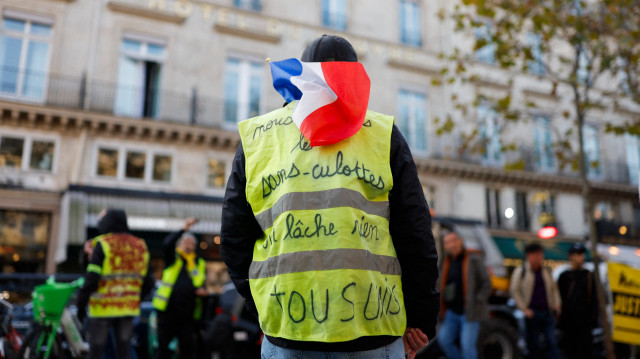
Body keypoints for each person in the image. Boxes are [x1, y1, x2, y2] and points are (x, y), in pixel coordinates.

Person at [220, 34, 439, 359]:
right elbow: (415, 234)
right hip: (374, 333)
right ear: (355, 76)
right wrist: (420, 320)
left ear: (304, 74)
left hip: (287, 333)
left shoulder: (258, 138)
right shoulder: (383, 134)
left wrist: (263, 308)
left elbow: (234, 238)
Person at [76, 209, 154, 359]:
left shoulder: (103, 243)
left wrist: (81, 304)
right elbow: (149, 282)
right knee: (124, 351)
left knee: (96, 352)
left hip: (102, 308)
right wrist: (136, 298)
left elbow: (92, 278)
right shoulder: (140, 245)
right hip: (127, 308)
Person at [153, 218, 207, 359]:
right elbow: (167, 243)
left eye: (192, 244)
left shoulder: (198, 263)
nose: (189, 246)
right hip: (167, 312)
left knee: (187, 349)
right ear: (180, 244)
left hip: (187, 314)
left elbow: (200, 282)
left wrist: (201, 290)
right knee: (163, 348)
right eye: (186, 243)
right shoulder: (173, 258)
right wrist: (184, 228)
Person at [438, 231, 492, 359]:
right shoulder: (445, 262)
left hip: (469, 312)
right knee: (444, 340)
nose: (451, 245)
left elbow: (487, 284)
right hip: (451, 312)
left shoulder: (473, 259)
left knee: (467, 347)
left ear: (460, 241)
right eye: (447, 242)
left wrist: (477, 300)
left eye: (453, 241)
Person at [509, 243, 561, 359]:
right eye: (536, 254)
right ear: (529, 256)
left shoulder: (546, 271)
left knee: (551, 342)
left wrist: (557, 303)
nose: (539, 257)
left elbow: (554, 289)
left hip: (547, 312)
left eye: (540, 254)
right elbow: (514, 290)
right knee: (533, 344)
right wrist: (524, 309)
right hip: (532, 313)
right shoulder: (521, 271)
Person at [557, 243, 598, 359]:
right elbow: (559, 298)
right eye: (578, 254)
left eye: (582, 254)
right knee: (570, 351)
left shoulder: (589, 276)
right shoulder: (564, 276)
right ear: (571, 256)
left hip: (585, 323)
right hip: (569, 323)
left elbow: (594, 299)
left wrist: (593, 319)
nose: (581, 257)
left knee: (585, 351)